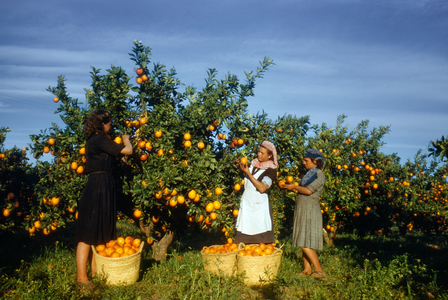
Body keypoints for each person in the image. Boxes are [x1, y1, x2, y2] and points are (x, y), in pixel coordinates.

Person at [75, 110, 133, 287]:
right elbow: (128, 151)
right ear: (102, 124)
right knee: (88, 232)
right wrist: (126, 139)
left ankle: (95, 272)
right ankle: (81, 278)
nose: (111, 126)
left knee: (100, 230)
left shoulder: (97, 141)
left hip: (103, 184)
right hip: (97, 186)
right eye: (109, 123)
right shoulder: (99, 139)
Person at [283, 148, 326, 278]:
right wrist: (294, 188)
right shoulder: (309, 173)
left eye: (306, 160)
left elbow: (308, 191)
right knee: (305, 239)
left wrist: (294, 187)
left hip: (310, 209)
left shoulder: (319, 174)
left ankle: (319, 270)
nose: (304, 162)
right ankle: (307, 269)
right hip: (303, 208)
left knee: (303, 241)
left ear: (315, 161)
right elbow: (304, 190)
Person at [234, 140, 278, 244]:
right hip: (247, 202)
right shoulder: (253, 164)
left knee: (260, 237)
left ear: (270, 156)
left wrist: (248, 174)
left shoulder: (271, 170)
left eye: (262, 153)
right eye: (259, 152)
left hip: (259, 206)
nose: (259, 154)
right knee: (244, 236)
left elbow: (262, 188)